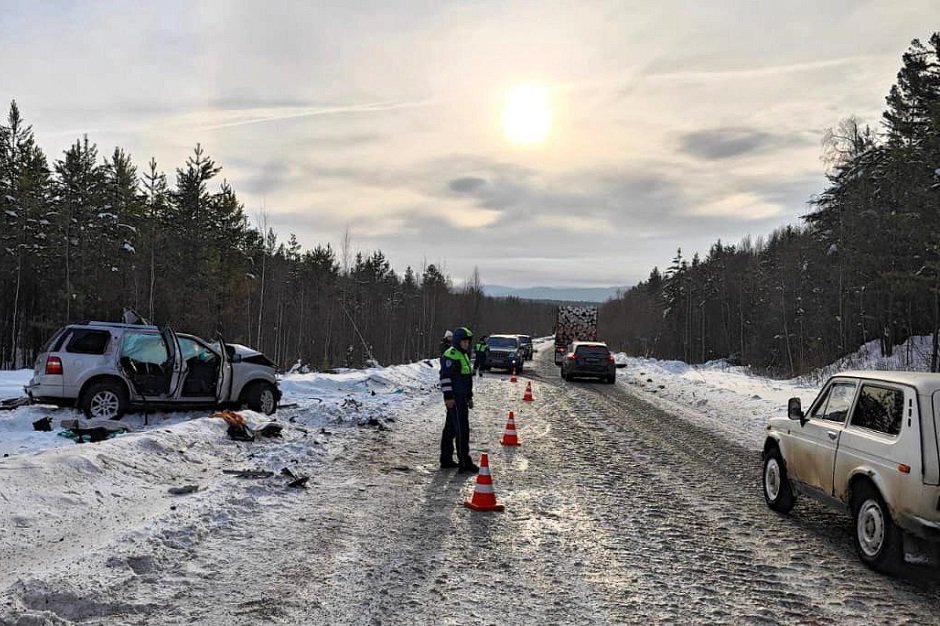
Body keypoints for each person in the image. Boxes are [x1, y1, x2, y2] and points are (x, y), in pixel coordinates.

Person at [439, 327, 479, 473]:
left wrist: (469, 396)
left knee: (450, 429)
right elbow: (445, 378)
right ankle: (464, 462)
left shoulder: (463, 355)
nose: (466, 344)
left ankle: (446, 459)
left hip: (461, 398)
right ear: (457, 341)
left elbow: (466, 379)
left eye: (468, 341)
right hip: (455, 399)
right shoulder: (451, 355)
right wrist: (448, 397)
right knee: (462, 430)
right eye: (464, 341)